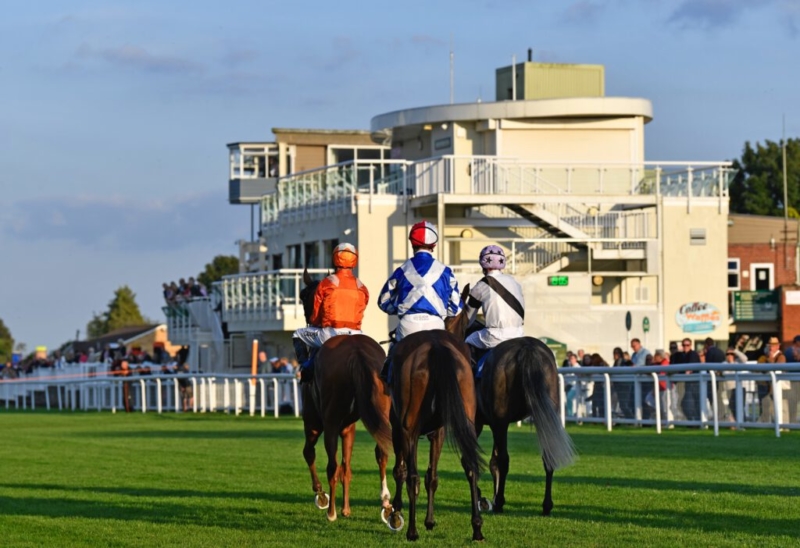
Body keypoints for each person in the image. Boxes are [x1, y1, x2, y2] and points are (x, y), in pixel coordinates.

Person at [378, 221, 462, 381]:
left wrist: (400, 307)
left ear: (412, 243)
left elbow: (383, 301)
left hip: (408, 325)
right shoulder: (445, 271)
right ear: (434, 245)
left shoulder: (402, 270)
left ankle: (387, 380)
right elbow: (456, 308)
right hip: (436, 324)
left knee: (393, 355)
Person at [292, 243, 369, 383]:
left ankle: (306, 367)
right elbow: (362, 309)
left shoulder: (327, 283)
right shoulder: (362, 286)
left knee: (297, 334)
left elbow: (315, 316)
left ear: (335, 259)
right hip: (357, 334)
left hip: (331, 333)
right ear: (354, 260)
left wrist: (316, 321)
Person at [463, 245, 524, 369]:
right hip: (519, 334)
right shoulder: (515, 283)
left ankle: (473, 375)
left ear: (483, 265)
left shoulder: (481, 285)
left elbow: (467, 321)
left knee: (467, 341)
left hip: (495, 336)